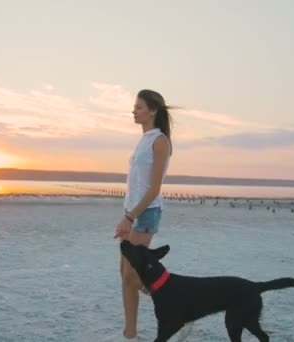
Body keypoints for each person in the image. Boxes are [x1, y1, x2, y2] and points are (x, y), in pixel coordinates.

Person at [113, 89, 192, 341]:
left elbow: (154, 188)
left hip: (146, 213)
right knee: (126, 274)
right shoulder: (144, 139)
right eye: (134, 107)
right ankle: (134, 330)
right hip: (134, 211)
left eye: (138, 107)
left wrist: (130, 217)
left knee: (130, 275)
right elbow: (136, 184)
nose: (133, 111)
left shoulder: (159, 141)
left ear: (153, 110)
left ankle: (134, 332)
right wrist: (127, 213)